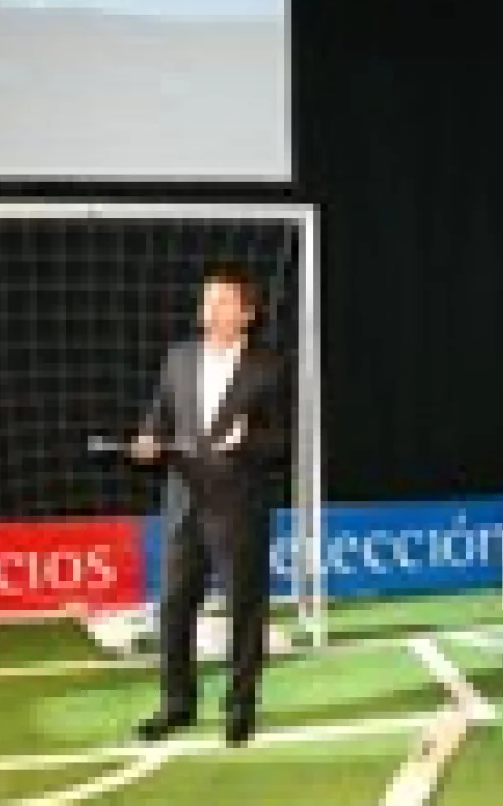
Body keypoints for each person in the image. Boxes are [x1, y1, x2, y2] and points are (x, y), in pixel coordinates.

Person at [130, 266, 288, 746]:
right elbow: (158, 416)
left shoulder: (269, 367)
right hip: (183, 503)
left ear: (247, 313)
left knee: (244, 607)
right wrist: (148, 439)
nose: (210, 308)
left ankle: (240, 707)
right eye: (207, 300)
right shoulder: (178, 357)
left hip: (240, 505)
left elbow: (281, 440)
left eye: (222, 301)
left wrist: (248, 440)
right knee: (174, 604)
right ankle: (176, 703)